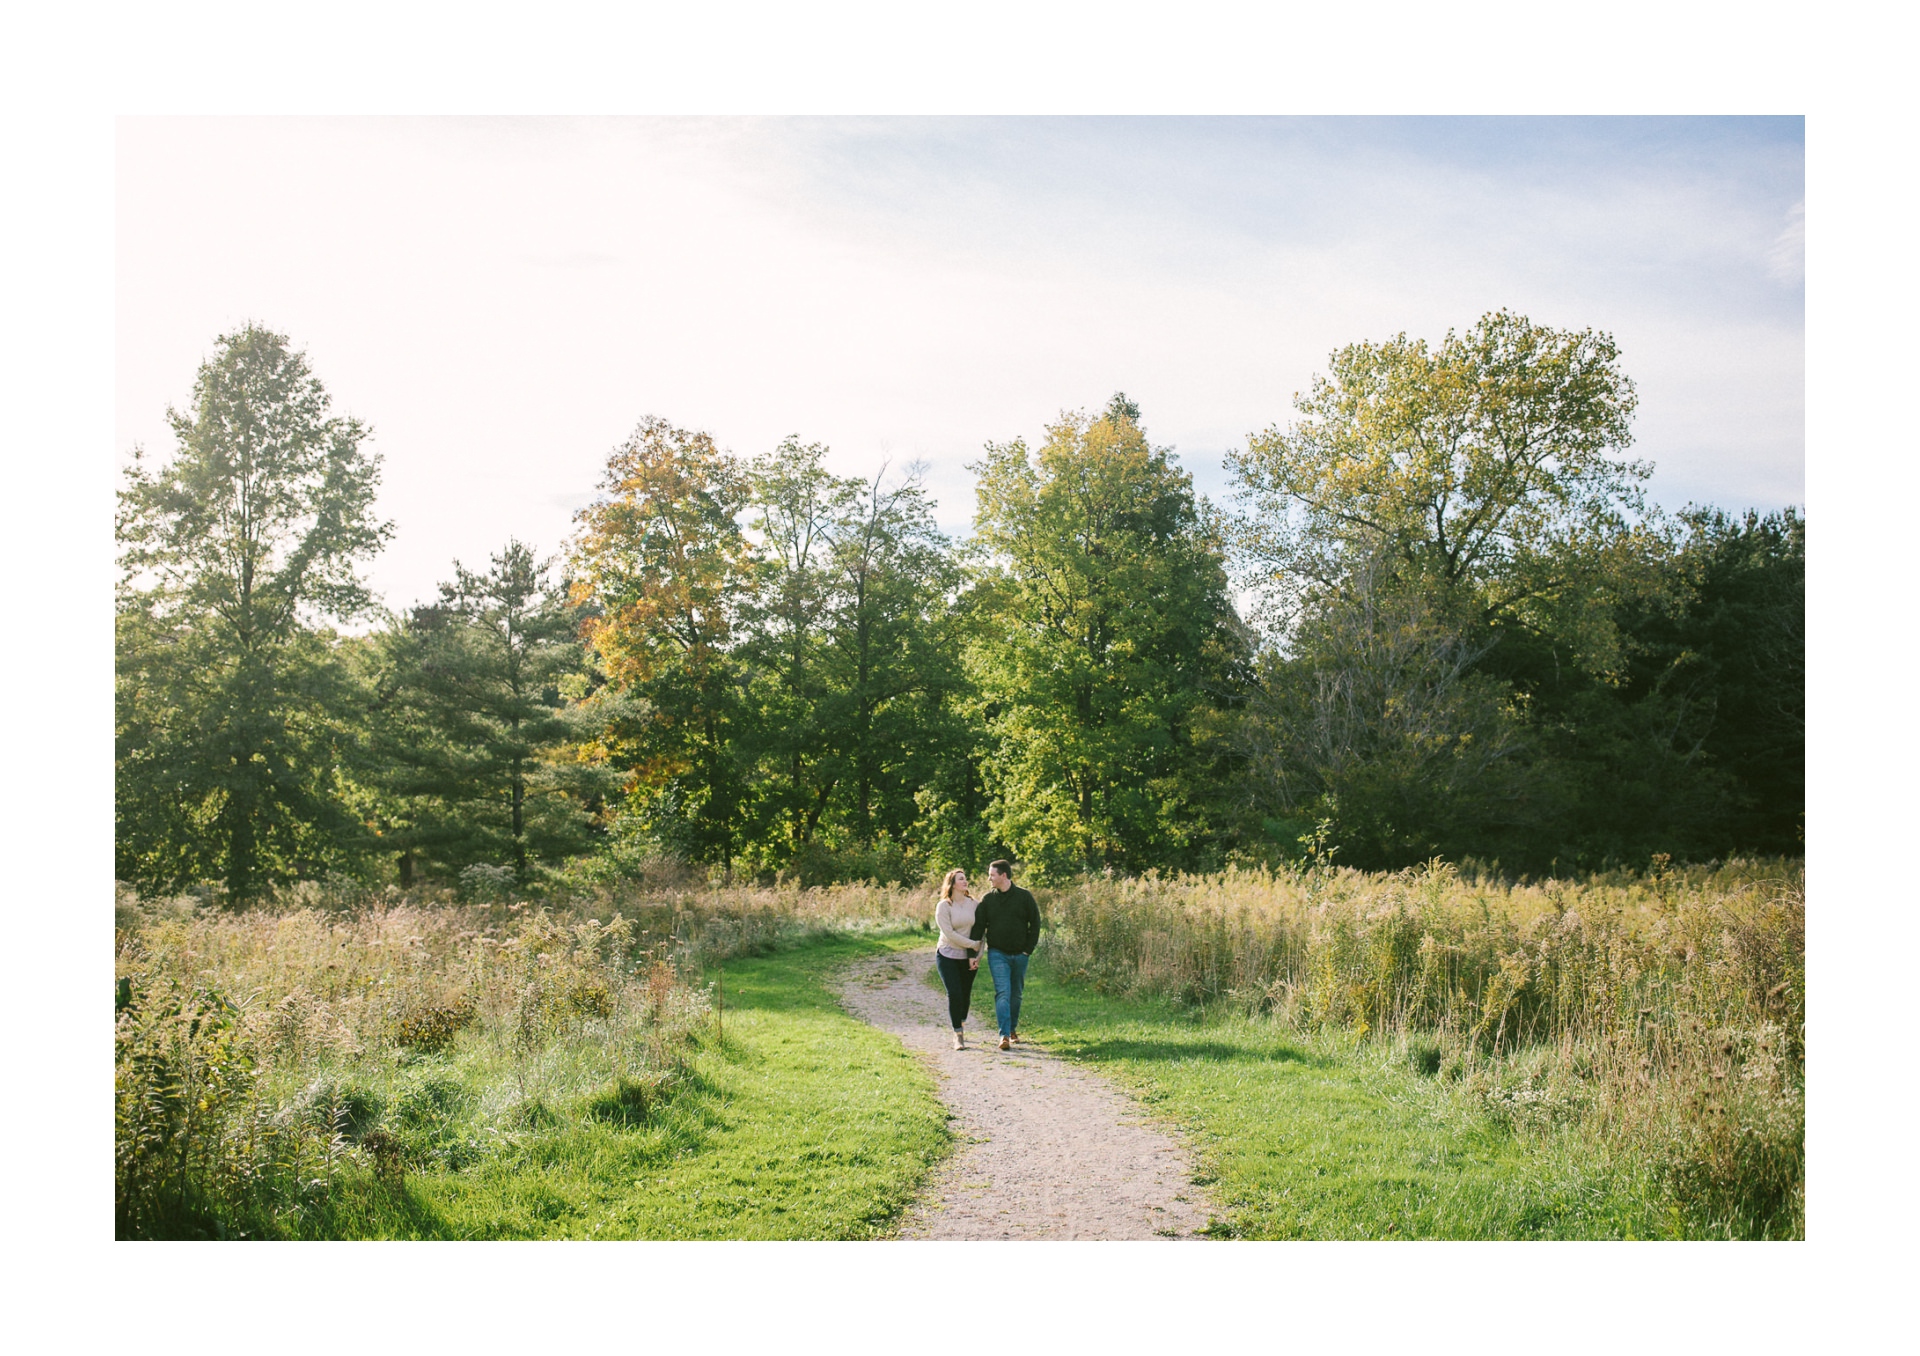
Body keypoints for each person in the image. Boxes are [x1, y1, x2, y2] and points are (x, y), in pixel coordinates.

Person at [970, 858, 1042, 1050]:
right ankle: (1003, 1035)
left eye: (992, 875)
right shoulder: (988, 900)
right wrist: (973, 952)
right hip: (997, 953)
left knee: (1016, 994)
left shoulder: (1024, 897)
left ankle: (1011, 1029)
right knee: (1003, 992)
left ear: (1003, 875)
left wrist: (1028, 949)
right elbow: (978, 927)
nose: (989, 878)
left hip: (1020, 954)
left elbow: (1035, 924)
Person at [932, 868, 984, 1050]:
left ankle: (961, 1023)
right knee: (954, 993)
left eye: (965, 878)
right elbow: (950, 934)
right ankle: (957, 1035)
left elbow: (981, 932)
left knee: (965, 994)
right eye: (961, 879)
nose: (965, 881)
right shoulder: (943, 907)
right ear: (952, 884)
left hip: (968, 958)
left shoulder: (975, 905)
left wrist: (977, 955)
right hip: (947, 954)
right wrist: (972, 944)